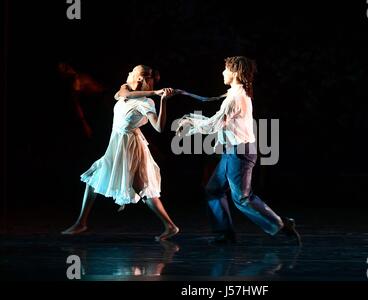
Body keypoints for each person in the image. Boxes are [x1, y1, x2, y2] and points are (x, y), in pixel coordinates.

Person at [176, 56, 301, 245]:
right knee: (213, 190)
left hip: (240, 153)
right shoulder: (235, 94)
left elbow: (214, 125)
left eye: (225, 69)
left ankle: (282, 225)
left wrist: (190, 123)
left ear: (234, 73)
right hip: (233, 151)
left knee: (242, 198)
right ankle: (224, 234)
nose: (222, 72)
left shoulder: (235, 97)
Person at [62, 65, 179, 241]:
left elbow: (159, 127)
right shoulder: (125, 89)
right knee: (95, 177)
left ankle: (170, 226)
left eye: (132, 72)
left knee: (141, 187)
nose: (128, 73)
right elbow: (124, 95)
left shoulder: (146, 103)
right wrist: (156, 92)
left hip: (130, 146)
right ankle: (81, 222)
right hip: (116, 144)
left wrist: (163, 100)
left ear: (140, 78)